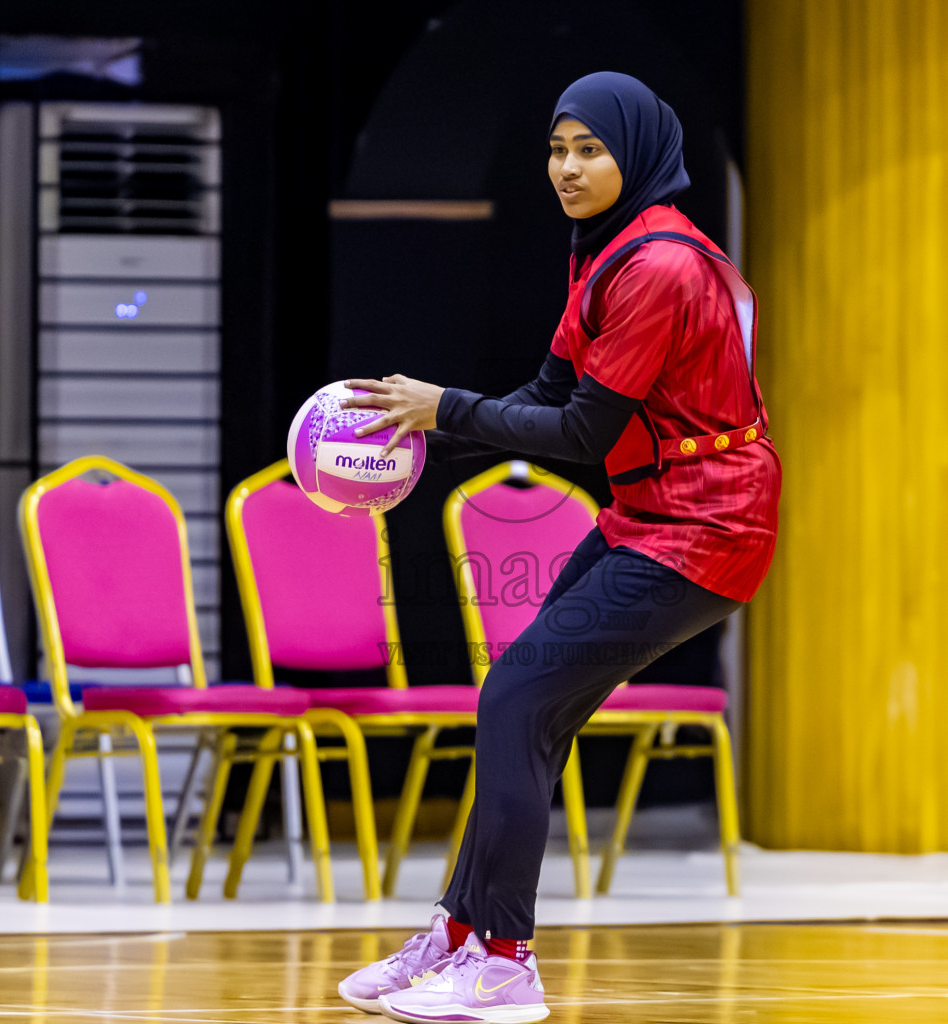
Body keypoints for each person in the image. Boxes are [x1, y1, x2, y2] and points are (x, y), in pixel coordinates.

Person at [336, 71, 780, 1024]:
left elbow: (577, 435)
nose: (568, 168)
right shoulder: (606, 254)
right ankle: (458, 936)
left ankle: (506, 961)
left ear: (638, 155)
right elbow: (545, 394)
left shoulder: (661, 266)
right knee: (525, 708)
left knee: (516, 695)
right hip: (647, 516)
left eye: (589, 149)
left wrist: (445, 406)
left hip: (709, 525)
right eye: (556, 148)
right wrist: (415, 429)